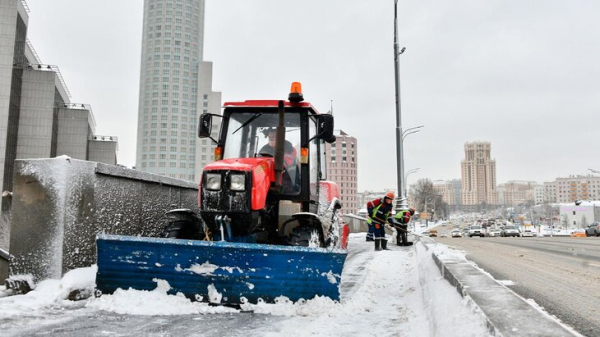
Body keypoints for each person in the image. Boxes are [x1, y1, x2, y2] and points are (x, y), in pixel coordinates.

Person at [258, 128, 299, 193]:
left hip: (289, 181)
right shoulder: (264, 149)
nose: (271, 139)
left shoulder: (288, 148)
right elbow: (260, 164)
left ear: (280, 137)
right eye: (270, 137)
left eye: (273, 137)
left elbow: (288, 161)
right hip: (269, 181)